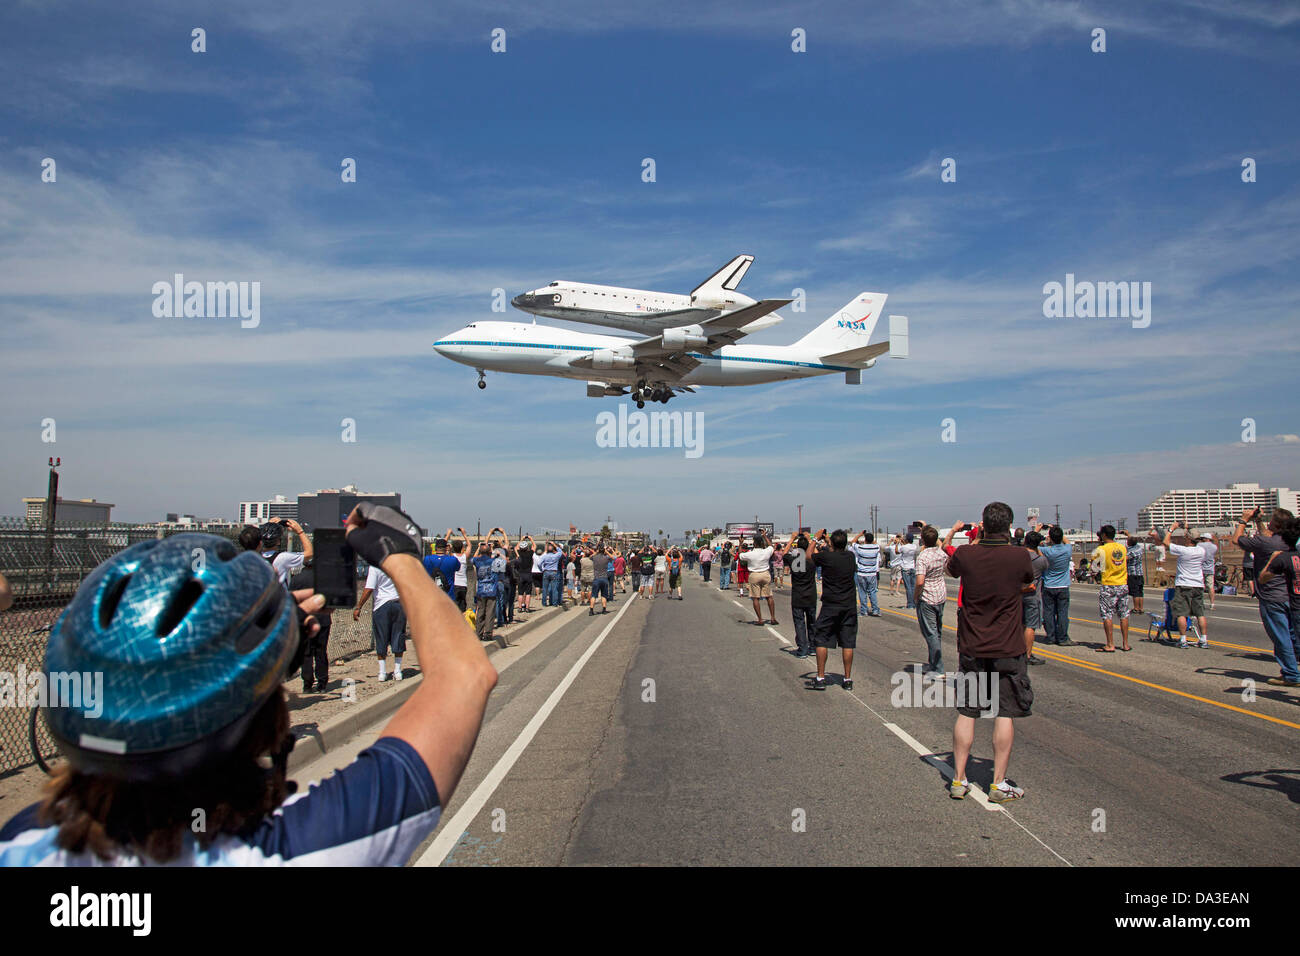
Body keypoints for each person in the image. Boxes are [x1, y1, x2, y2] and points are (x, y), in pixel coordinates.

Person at [0, 503, 497, 866]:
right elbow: (463, 674)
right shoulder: (304, 844)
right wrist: (401, 555)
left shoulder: (23, 841)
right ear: (262, 725)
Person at [946, 502, 1034, 804]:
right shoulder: (1019, 555)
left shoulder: (967, 554)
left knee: (968, 710)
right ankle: (997, 783)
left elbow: (951, 568)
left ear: (983, 525)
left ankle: (958, 778)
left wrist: (972, 540)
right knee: (1005, 711)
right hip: (1007, 645)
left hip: (972, 643)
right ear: (1008, 526)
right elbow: (1029, 578)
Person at [1232, 506, 1299, 685]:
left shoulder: (1265, 543)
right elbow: (1267, 536)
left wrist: (1244, 520)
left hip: (1272, 595)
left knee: (1280, 636)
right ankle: (1292, 669)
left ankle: (1291, 675)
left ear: (1275, 525)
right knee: (1293, 635)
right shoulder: (1289, 541)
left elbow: (1237, 540)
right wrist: (1259, 521)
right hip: (1291, 594)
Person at [805, 529, 858, 691]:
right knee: (848, 643)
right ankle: (847, 678)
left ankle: (820, 677)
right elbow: (838, 548)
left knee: (822, 639)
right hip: (848, 605)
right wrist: (829, 540)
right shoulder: (850, 557)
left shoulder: (826, 557)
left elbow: (808, 556)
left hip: (830, 604)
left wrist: (815, 538)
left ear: (832, 544)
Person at [1256, 517, 1300, 688]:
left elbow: (1262, 577)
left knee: (1285, 638)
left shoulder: (1283, 558)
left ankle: (1291, 674)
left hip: (1294, 605)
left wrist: (1272, 560)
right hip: (1292, 605)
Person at [355, 559, 406, 682]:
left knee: (381, 637)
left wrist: (359, 606)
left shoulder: (375, 567)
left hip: (381, 605)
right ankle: (397, 671)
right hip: (399, 603)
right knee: (398, 635)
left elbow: (369, 589)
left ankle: (382, 672)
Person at [1163, 520, 1207, 649]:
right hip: (1198, 584)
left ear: (1188, 538)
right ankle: (1204, 639)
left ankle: (1183, 639)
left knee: (1181, 613)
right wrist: (1187, 529)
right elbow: (1194, 539)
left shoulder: (1183, 550)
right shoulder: (1201, 551)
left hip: (1184, 584)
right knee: (1200, 614)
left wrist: (1172, 529)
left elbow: (1166, 542)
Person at [913, 525, 949, 679]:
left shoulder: (923, 557)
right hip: (940, 595)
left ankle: (938, 668)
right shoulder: (941, 553)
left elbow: (920, 581)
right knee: (936, 632)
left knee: (930, 633)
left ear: (922, 540)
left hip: (927, 597)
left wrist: (915, 596)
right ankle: (933, 663)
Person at [1090, 525, 1131, 652]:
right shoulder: (1122, 548)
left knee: (1107, 615)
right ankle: (1125, 644)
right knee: (1124, 614)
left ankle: (1110, 644)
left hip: (1108, 584)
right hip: (1122, 583)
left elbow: (1094, 566)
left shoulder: (1101, 549)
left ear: (1103, 535)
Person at [1038, 525, 1076, 647]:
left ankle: (1051, 636)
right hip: (1063, 585)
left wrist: (1038, 530)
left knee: (1048, 612)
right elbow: (1067, 541)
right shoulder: (1067, 549)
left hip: (1049, 585)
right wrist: (1056, 530)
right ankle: (1063, 637)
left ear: (1051, 538)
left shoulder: (1047, 551)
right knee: (1063, 613)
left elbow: (1032, 543)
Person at [781, 535, 817, 659]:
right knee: (812, 623)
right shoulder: (812, 560)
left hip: (798, 596)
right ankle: (813, 647)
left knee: (799, 623)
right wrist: (813, 541)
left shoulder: (793, 560)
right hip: (811, 596)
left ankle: (802, 649)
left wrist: (792, 539)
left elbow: (784, 553)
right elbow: (816, 553)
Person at [468, 537, 506, 649]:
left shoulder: (477, 561)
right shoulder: (494, 561)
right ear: (490, 551)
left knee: (480, 612)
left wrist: (479, 547)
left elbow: (472, 559)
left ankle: (478, 633)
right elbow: (505, 562)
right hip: (491, 589)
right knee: (490, 612)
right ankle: (488, 633)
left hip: (480, 589)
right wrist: (499, 553)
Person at [259, 517, 313, 588]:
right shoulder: (282, 558)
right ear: (278, 541)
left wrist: (268, 527)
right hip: (279, 597)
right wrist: (300, 531)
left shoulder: (255, 557)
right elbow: (310, 553)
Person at [1022, 530, 1048, 665]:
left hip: (1018, 593)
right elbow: (1046, 565)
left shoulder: (1018, 556)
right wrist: (1038, 549)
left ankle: (1018, 652)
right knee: (1030, 626)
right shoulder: (1040, 560)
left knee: (1020, 624)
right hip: (1032, 595)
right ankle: (1027, 654)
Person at [742, 534, 777, 624]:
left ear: (754, 544)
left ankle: (760, 619)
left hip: (754, 574)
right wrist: (765, 536)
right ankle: (773, 618)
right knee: (769, 596)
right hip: (765, 574)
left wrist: (741, 543)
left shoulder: (751, 553)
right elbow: (771, 547)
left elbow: (741, 555)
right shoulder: (766, 551)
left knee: (755, 598)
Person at [851, 530, 882, 617]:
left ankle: (863, 611)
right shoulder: (876, 548)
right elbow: (875, 543)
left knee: (862, 592)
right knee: (872, 592)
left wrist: (860, 534)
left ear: (865, 540)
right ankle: (875, 609)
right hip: (872, 573)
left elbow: (853, 542)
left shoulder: (860, 548)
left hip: (861, 573)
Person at [1125, 533, 1152, 615]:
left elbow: (1125, 558)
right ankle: (1141, 608)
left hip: (1133, 573)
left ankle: (1136, 608)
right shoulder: (1139, 549)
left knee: (1135, 592)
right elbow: (1132, 540)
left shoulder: (1131, 552)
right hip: (1140, 573)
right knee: (1140, 591)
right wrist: (1128, 534)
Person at [514, 534, 536, 614]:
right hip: (528, 574)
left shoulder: (519, 554)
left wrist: (521, 539)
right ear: (527, 548)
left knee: (520, 593)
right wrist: (531, 538)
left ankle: (520, 607)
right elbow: (534, 546)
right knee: (528, 593)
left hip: (521, 574)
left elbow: (515, 548)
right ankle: (527, 607)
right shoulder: (530, 553)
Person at [588, 545, 613, 615]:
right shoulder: (606, 558)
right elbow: (613, 557)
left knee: (594, 595)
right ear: (604, 551)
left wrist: (596, 552)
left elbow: (589, 557)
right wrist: (607, 552)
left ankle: (591, 610)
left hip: (596, 578)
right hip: (604, 578)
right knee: (604, 595)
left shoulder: (595, 558)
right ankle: (604, 609)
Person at [449, 529, 470, 610]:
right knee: (463, 604)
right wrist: (464, 534)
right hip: (463, 584)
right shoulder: (464, 557)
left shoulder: (452, 557)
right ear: (462, 547)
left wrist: (448, 534)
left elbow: (445, 546)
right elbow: (469, 545)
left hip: (455, 583)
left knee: (455, 605)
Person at [1198, 532, 1219, 611]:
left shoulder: (1199, 545)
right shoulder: (1214, 547)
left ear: (1205, 539)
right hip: (1210, 569)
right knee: (1211, 587)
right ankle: (1212, 604)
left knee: (1200, 587)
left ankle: (1201, 603)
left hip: (1200, 568)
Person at [898, 532, 919, 609]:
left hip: (905, 568)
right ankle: (914, 603)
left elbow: (897, 551)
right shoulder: (914, 546)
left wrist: (898, 543)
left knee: (908, 588)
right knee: (913, 587)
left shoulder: (904, 547)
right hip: (912, 567)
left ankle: (910, 604)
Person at [540, 540, 563, 608]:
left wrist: (542, 569)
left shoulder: (544, 556)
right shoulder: (556, 556)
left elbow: (539, 563)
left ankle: (544, 603)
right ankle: (554, 603)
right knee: (554, 588)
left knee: (545, 588)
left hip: (546, 571)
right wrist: (554, 545)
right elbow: (560, 552)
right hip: (554, 571)